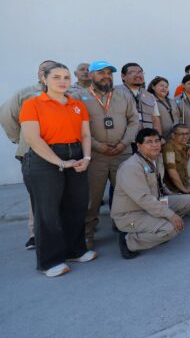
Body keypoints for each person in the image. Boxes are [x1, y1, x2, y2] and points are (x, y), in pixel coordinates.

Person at [20, 62, 96, 277]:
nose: (62, 81)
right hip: (44, 160)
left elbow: (85, 134)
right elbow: (32, 138)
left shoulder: (77, 105)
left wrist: (86, 157)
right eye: (56, 77)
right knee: (48, 212)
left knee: (76, 206)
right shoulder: (32, 104)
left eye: (66, 77)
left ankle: (75, 251)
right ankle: (49, 261)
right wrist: (60, 162)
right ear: (44, 79)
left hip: (76, 154)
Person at [72, 61, 139, 249]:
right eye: (101, 73)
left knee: (127, 195)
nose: (106, 76)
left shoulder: (123, 95)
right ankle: (87, 234)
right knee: (92, 198)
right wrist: (97, 146)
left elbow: (134, 121)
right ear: (91, 75)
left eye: (109, 73)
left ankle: (128, 229)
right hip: (95, 156)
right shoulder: (78, 97)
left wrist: (124, 143)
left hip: (122, 153)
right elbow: (75, 125)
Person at [111, 128, 190, 259]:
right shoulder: (131, 167)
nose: (154, 145)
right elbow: (144, 199)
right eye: (149, 142)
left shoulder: (156, 158)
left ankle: (156, 228)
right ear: (138, 146)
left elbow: (159, 184)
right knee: (171, 229)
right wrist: (170, 215)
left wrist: (172, 195)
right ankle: (129, 240)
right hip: (130, 216)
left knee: (187, 200)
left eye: (157, 141)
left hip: (151, 206)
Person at [0, 59, 55, 250]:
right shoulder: (26, 93)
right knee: (37, 196)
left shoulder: (67, 92)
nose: (47, 72)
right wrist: (19, 139)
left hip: (61, 152)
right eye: (43, 69)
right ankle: (34, 234)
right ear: (39, 74)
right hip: (33, 152)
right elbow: (6, 116)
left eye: (51, 69)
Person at [162, 123, 190, 204]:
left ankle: (185, 202)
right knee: (189, 199)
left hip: (184, 182)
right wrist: (184, 190)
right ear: (173, 135)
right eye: (181, 134)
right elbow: (172, 173)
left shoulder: (183, 145)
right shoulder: (169, 148)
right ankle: (183, 202)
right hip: (173, 188)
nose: (185, 137)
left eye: (187, 134)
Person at [116, 63, 162, 136]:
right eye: (132, 72)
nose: (138, 75)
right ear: (123, 76)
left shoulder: (150, 96)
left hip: (146, 139)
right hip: (124, 138)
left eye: (140, 72)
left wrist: (158, 137)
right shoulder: (114, 92)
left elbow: (155, 119)